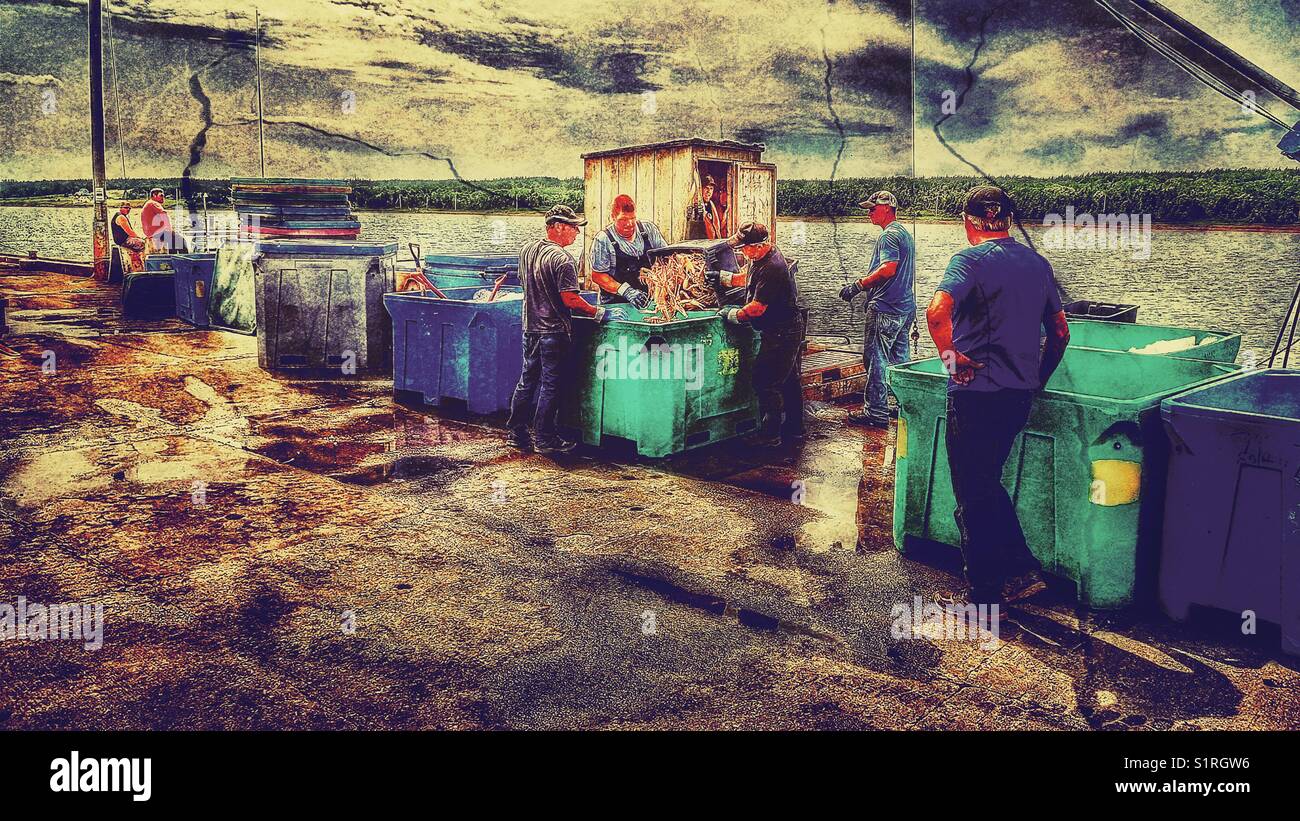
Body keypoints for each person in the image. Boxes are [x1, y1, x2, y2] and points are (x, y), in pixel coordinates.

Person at [925, 185, 1070, 611]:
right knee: (986, 483)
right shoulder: (1037, 263)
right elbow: (1060, 333)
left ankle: (989, 591)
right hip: (1018, 395)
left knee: (972, 491)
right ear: (1006, 220)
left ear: (969, 222)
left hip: (976, 393)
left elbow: (936, 313)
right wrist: (1037, 379)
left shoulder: (967, 260)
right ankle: (1018, 575)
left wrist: (952, 360)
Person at [508, 205, 627, 455]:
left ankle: (516, 433)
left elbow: (526, 283)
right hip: (552, 330)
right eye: (573, 227)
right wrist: (599, 312)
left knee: (527, 381)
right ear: (558, 227)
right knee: (551, 385)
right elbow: (570, 299)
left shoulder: (527, 250)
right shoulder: (563, 259)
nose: (576, 233)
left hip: (530, 327)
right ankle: (544, 438)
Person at [717, 222, 805, 447]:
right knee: (789, 380)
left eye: (744, 248)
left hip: (781, 331)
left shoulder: (773, 267)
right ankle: (795, 429)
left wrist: (734, 314)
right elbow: (748, 277)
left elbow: (757, 308)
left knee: (766, 380)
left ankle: (770, 435)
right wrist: (723, 278)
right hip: (787, 327)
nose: (742, 252)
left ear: (758, 246)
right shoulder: (762, 257)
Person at [839, 190, 916, 428]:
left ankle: (876, 413)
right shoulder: (904, 233)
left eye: (872, 209)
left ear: (887, 208)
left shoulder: (888, 236)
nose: (869, 213)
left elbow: (888, 268)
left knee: (876, 359)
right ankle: (902, 406)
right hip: (905, 306)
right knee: (900, 360)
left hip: (885, 307)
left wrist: (857, 285)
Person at [588, 194, 666, 310]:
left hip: (649, 302)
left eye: (632, 218)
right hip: (616, 305)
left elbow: (665, 257)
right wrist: (626, 291)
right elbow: (598, 276)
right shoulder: (603, 239)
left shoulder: (649, 229)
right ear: (613, 217)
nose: (629, 224)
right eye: (623, 219)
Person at [140, 188, 188, 253]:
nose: (163, 198)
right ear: (154, 195)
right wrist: (170, 230)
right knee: (181, 241)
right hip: (157, 232)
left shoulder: (148, 203)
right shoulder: (153, 203)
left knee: (173, 242)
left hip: (152, 233)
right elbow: (164, 216)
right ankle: (184, 261)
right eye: (161, 195)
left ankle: (173, 258)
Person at [686, 174, 728, 240]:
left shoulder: (711, 205)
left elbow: (716, 228)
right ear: (701, 189)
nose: (709, 192)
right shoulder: (695, 206)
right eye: (706, 188)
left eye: (711, 189)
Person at [110, 202, 146, 272]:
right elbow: (130, 232)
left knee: (140, 242)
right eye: (126, 208)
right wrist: (140, 238)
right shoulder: (121, 217)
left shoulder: (119, 215)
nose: (128, 209)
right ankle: (139, 265)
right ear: (120, 208)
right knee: (143, 243)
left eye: (129, 208)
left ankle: (137, 263)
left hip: (122, 240)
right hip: (124, 241)